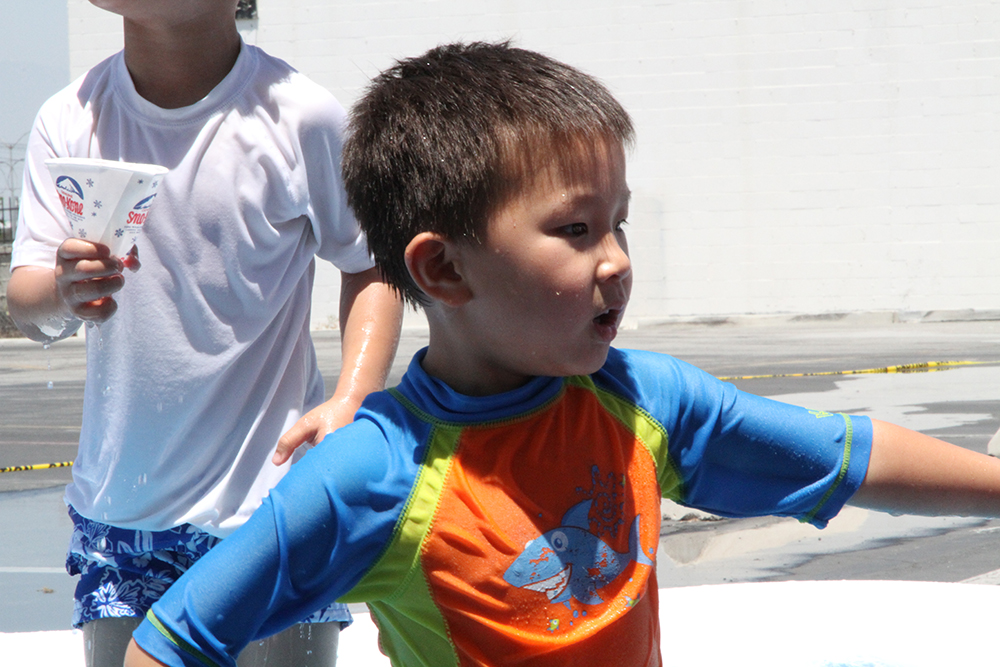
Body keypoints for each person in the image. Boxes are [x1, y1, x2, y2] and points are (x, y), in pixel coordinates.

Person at [123, 41, 1000, 667]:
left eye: (618, 222)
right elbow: (173, 639)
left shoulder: (647, 403)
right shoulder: (373, 474)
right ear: (443, 269)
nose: (616, 259)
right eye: (576, 230)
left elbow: (846, 456)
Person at [6, 1, 402, 665]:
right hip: (124, 511)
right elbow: (27, 302)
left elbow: (372, 262)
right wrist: (63, 290)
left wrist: (354, 399)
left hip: (273, 506)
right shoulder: (71, 118)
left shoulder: (301, 116)